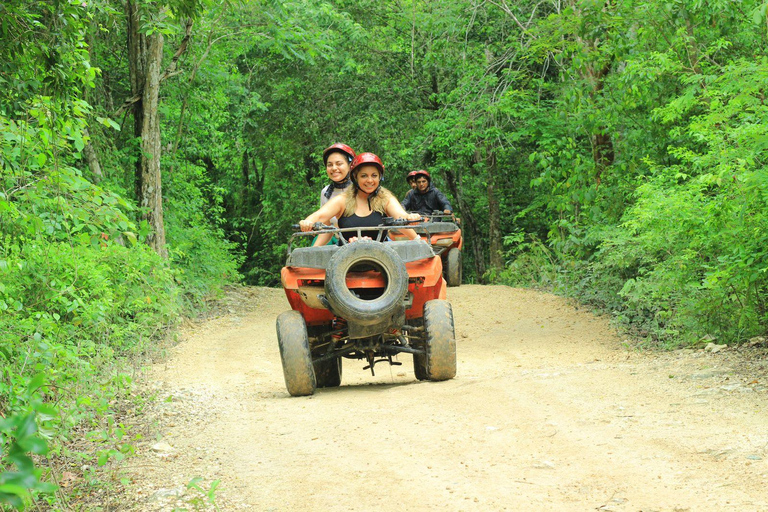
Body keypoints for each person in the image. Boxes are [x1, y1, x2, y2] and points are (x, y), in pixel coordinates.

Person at [300, 153, 421, 243]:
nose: (369, 180)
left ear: (380, 178)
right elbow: (320, 215)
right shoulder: (343, 200)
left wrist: (411, 219)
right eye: (364, 176)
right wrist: (308, 221)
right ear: (355, 178)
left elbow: (400, 215)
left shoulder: (385, 198)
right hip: (345, 258)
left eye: (374, 175)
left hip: (382, 258)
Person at [313, 143, 356, 246]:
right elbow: (327, 226)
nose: (334, 168)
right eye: (330, 165)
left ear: (350, 165)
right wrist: (314, 249)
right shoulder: (326, 192)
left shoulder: (360, 188)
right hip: (338, 240)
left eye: (339, 163)